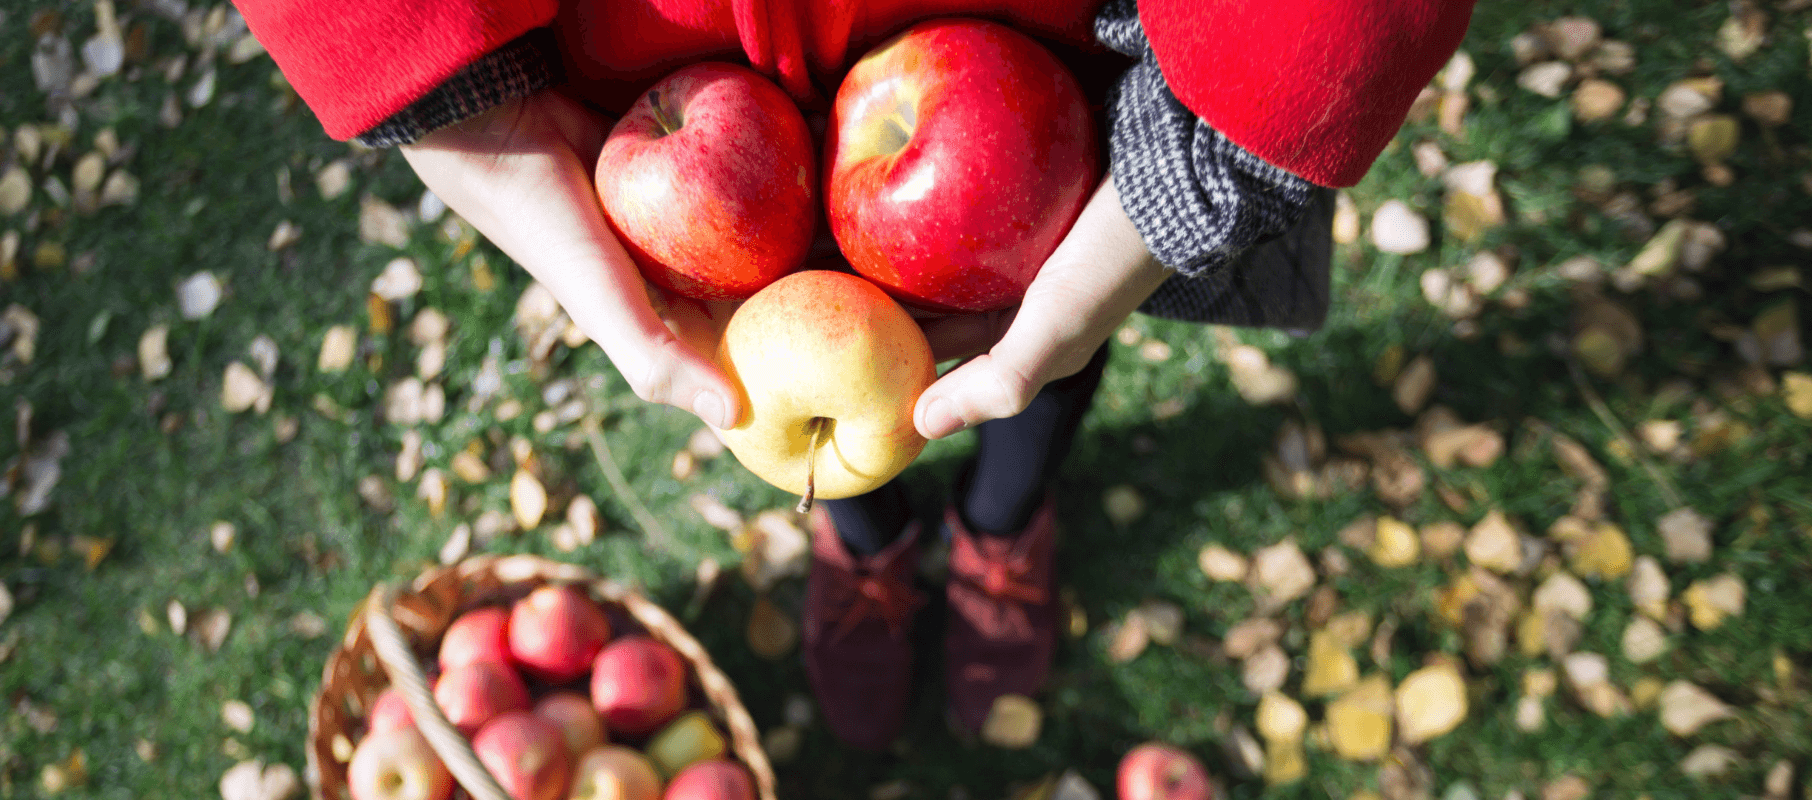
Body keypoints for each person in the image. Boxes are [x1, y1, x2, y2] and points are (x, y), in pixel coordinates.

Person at [235, 0, 1474, 751]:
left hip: (1023, 76)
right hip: (684, 91)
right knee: (805, 386)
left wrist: (1189, 166)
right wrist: (440, 83)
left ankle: (1001, 522)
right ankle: (866, 541)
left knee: (1040, 337)